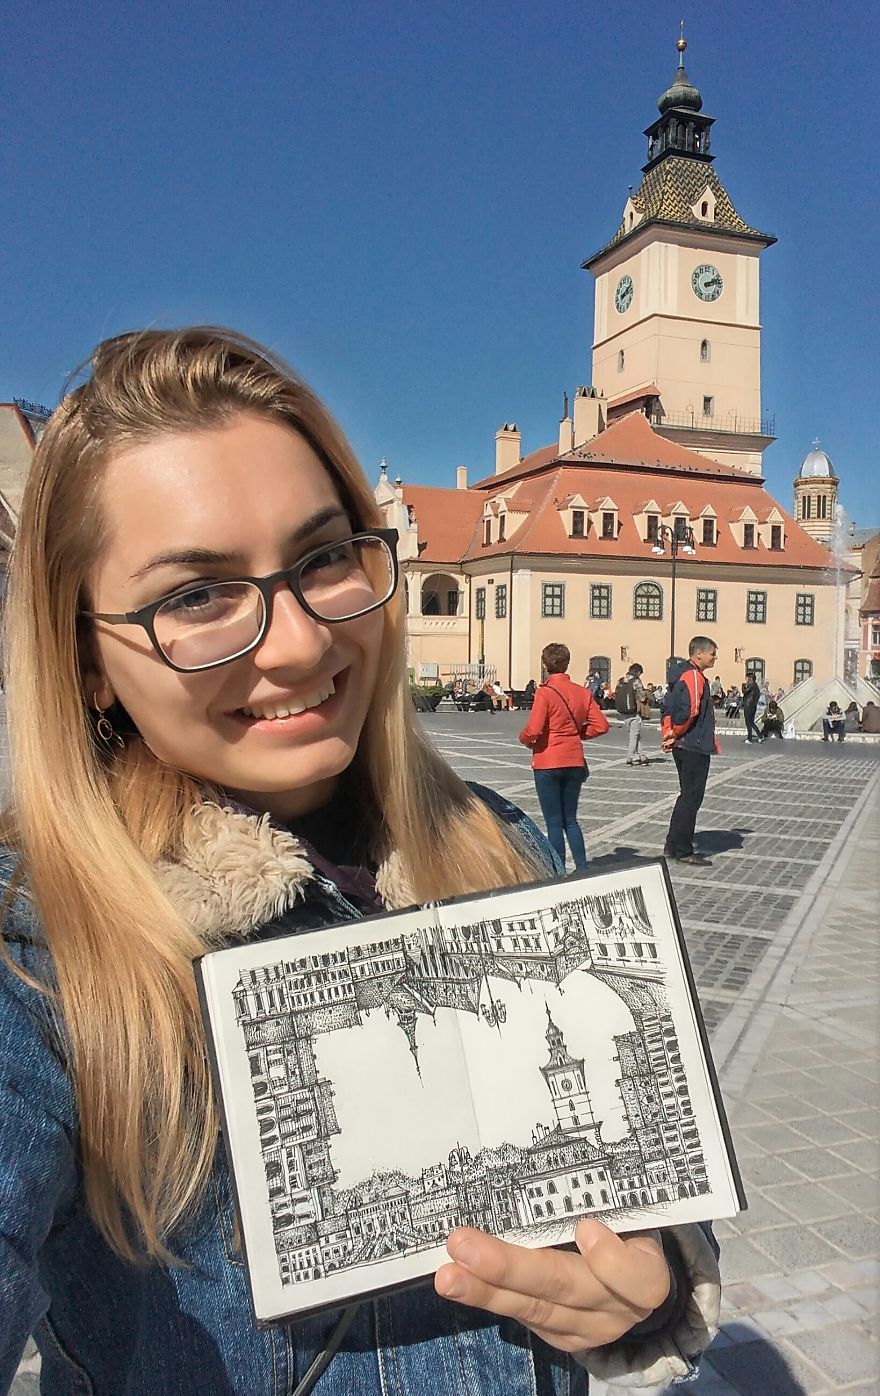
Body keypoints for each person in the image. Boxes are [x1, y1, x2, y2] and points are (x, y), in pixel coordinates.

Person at [0, 328, 721, 1396]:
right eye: (196, 596)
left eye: (324, 556)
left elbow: (644, 1187)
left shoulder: (492, 839)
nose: (297, 642)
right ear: (85, 660)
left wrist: (652, 1288)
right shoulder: (45, 957)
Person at [519, 642, 609, 871]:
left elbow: (534, 729)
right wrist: (579, 733)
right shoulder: (581, 692)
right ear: (567, 663)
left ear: (545, 664)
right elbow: (601, 725)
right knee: (571, 820)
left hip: (548, 761)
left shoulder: (545, 693)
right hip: (573, 761)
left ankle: (558, 871)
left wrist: (525, 739)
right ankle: (581, 867)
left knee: (554, 823)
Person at [661, 637, 719, 867]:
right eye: (712, 653)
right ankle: (683, 849)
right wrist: (674, 733)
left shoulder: (680, 675)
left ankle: (672, 844)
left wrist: (668, 734)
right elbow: (689, 711)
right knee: (691, 797)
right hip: (692, 744)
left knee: (687, 796)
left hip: (684, 743)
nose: (714, 657)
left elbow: (667, 708)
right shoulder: (693, 676)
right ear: (698, 654)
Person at [617, 662, 649, 767]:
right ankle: (629, 758)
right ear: (638, 672)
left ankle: (642, 756)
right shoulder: (636, 681)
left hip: (623, 712)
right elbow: (642, 697)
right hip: (634, 712)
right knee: (634, 737)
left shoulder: (621, 680)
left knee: (636, 735)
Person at [741, 671, 760, 744]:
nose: (746, 680)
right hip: (752, 706)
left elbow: (744, 692)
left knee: (748, 723)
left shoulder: (752, 686)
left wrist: (743, 686)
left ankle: (749, 738)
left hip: (749, 706)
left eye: (747, 679)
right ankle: (760, 736)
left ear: (751, 679)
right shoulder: (756, 686)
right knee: (751, 722)